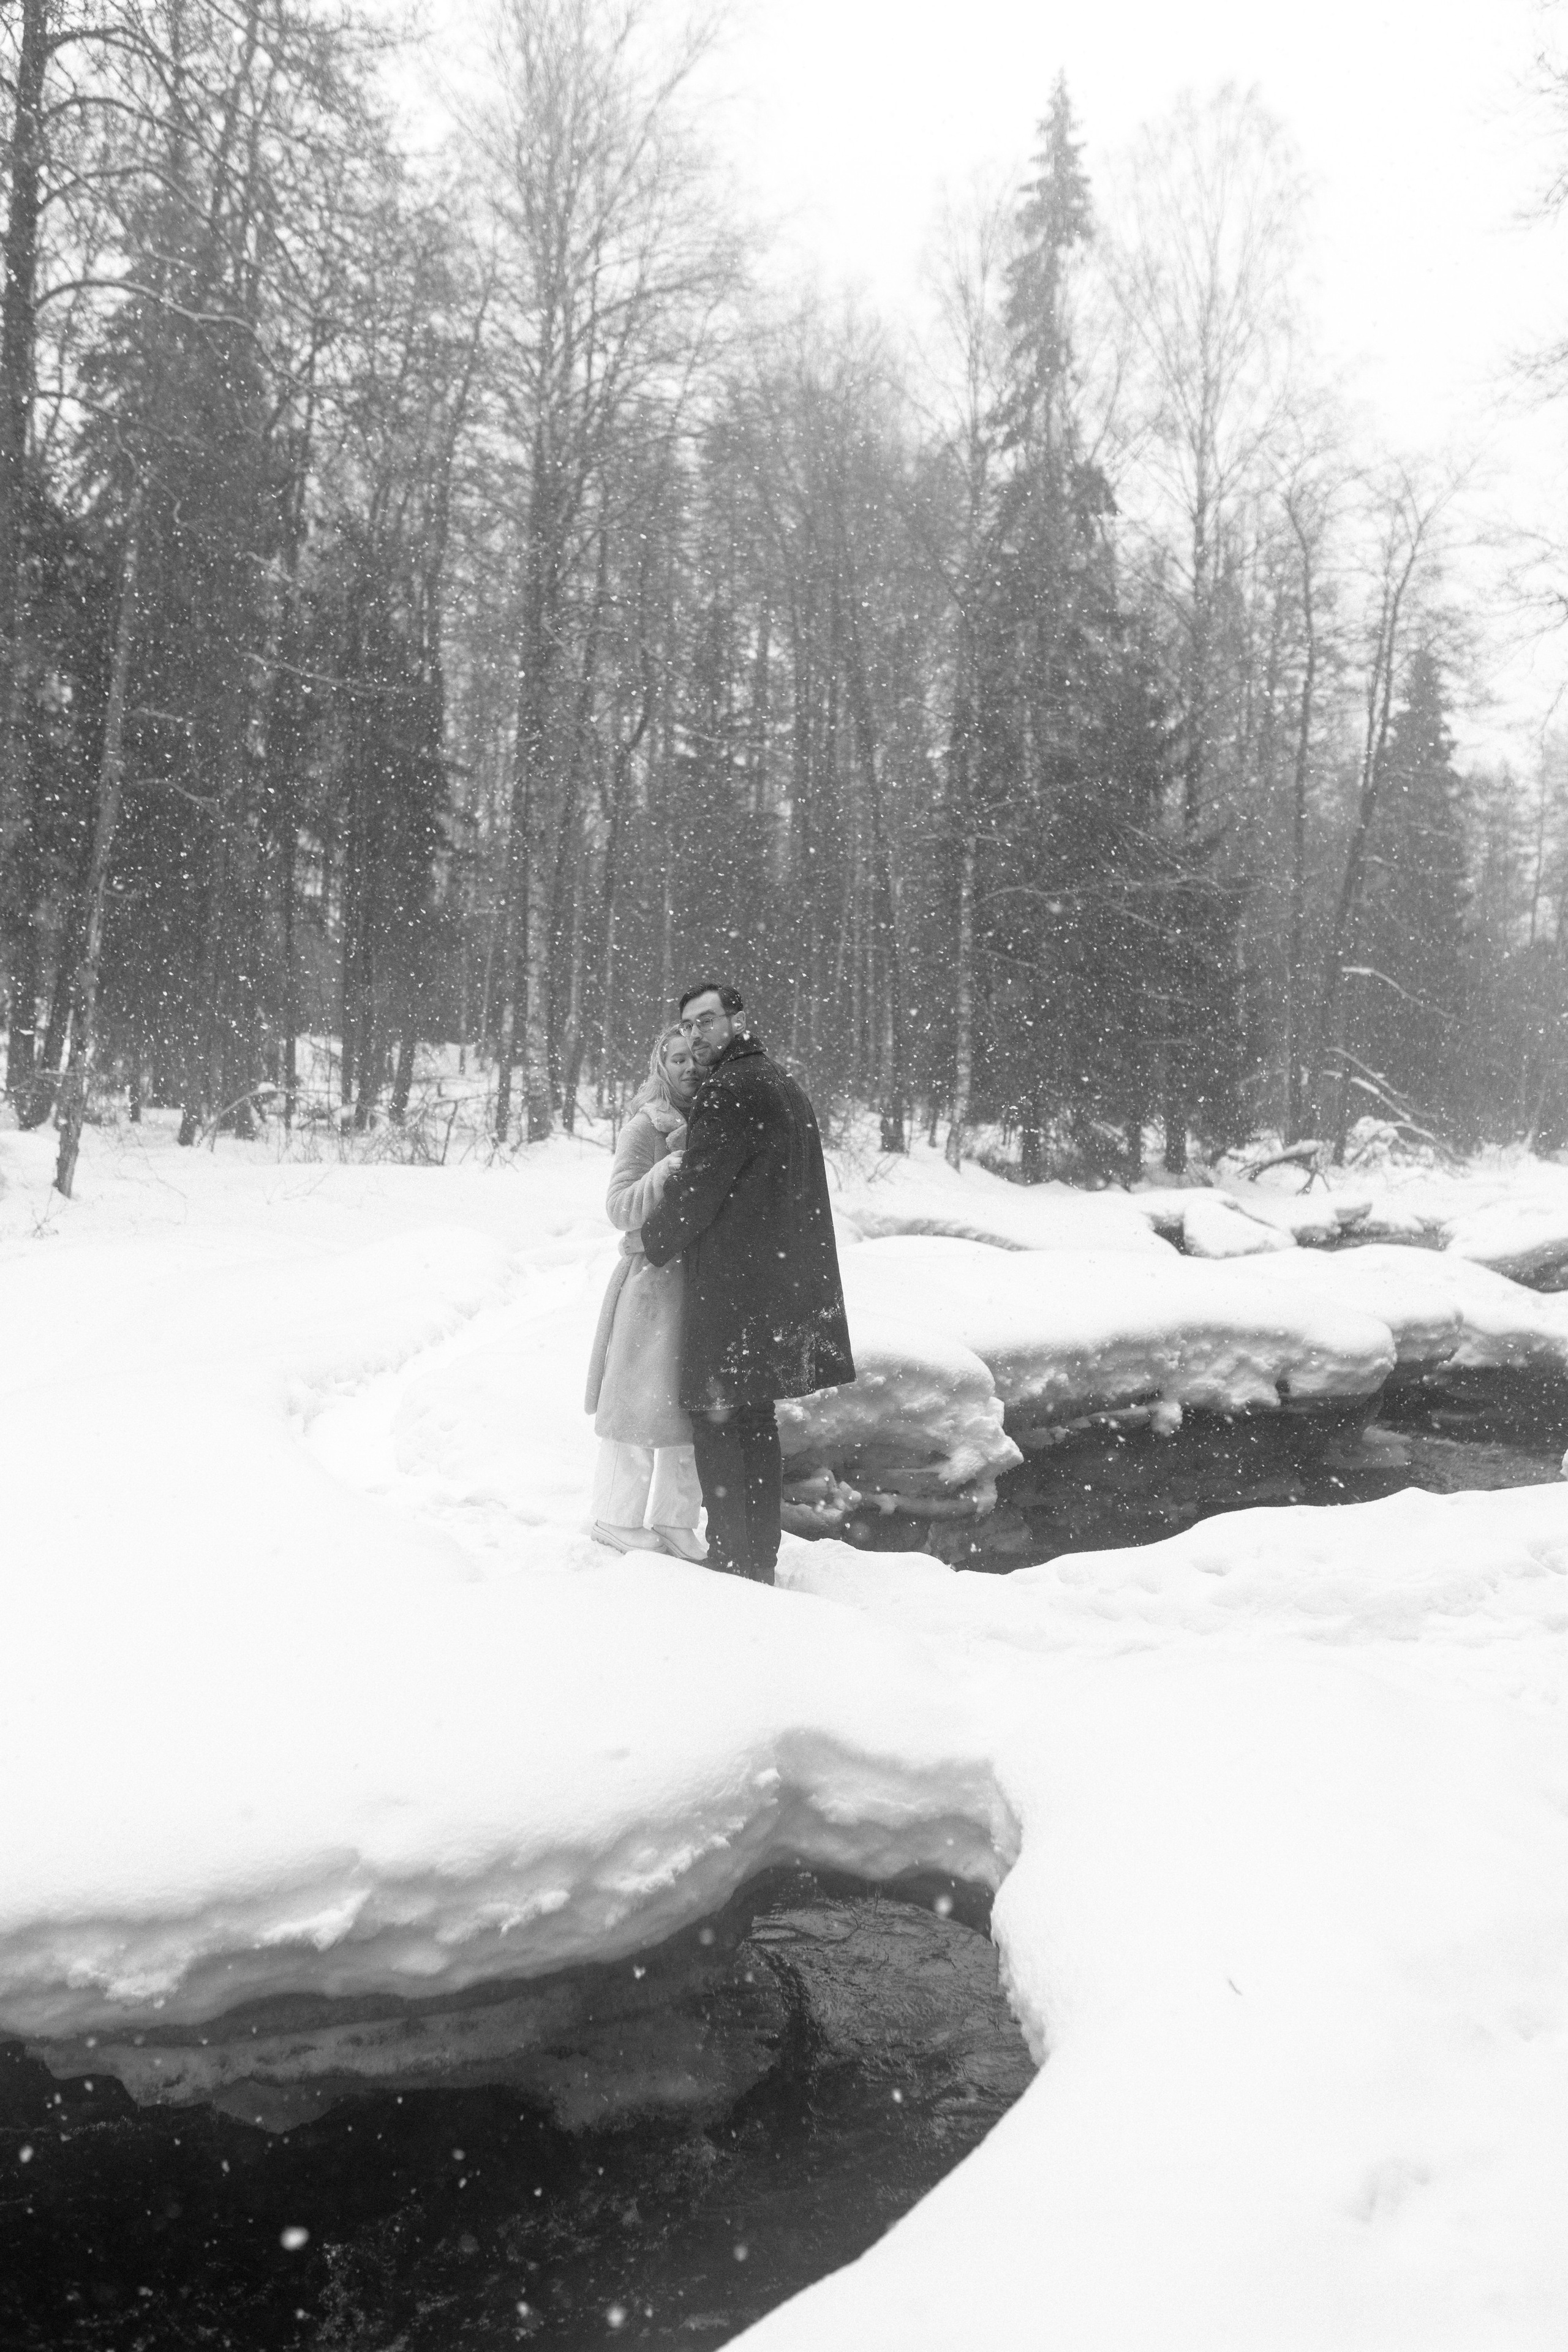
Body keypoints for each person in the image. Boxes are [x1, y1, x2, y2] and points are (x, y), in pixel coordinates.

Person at [640, 981, 854, 1586]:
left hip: (735, 1283)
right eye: (687, 1026)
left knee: (719, 1420)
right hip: (775, 1277)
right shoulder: (778, 1082)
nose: (696, 1034)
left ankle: (735, 1559)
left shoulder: (732, 1088)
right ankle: (757, 1556)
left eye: (706, 1021)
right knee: (753, 1421)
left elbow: (701, 1188)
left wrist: (650, 1240)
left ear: (737, 1019)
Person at [583, 1025, 707, 1561]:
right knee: (634, 1404)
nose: (688, 1068)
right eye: (676, 1059)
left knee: (693, 1409)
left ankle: (676, 1522)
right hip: (650, 1285)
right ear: (661, 1066)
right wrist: (660, 1172)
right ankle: (614, 1518)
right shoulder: (645, 1125)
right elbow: (617, 1208)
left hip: (698, 1281)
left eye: (696, 1058)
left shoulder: (715, 1120)